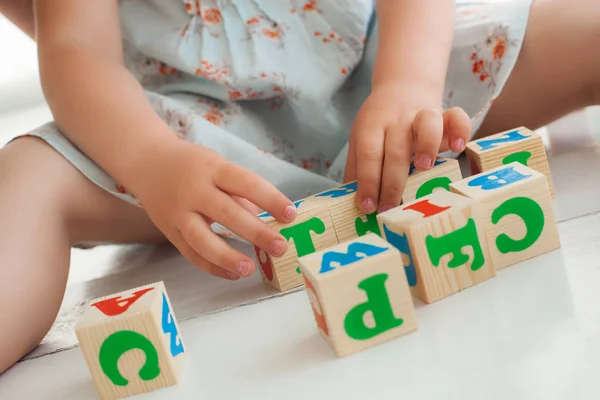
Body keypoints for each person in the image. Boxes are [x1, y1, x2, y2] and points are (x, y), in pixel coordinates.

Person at [0, 0, 598, 373]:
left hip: (385, 68)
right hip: (182, 132)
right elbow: (76, 49)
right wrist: (149, 158)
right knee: (29, 181)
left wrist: (408, 81)